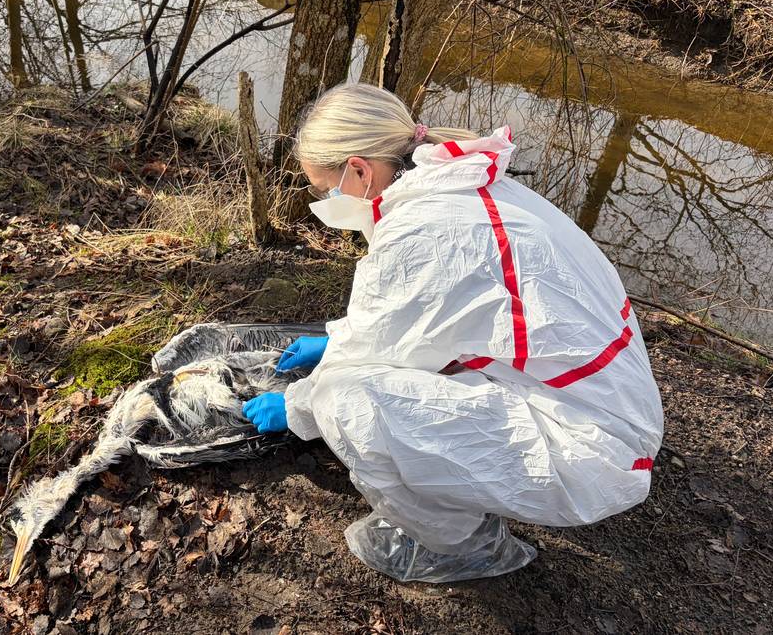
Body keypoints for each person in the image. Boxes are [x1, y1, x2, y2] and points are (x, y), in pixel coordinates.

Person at [241, 83, 664, 583]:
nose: (325, 201)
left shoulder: (424, 230)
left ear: (358, 169)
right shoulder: (460, 185)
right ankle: (467, 493)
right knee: (362, 375)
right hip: (610, 408)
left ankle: (459, 545)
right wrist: (338, 338)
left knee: (344, 399)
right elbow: (428, 315)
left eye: (324, 187)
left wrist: (295, 408)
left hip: (590, 450)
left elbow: (382, 346)